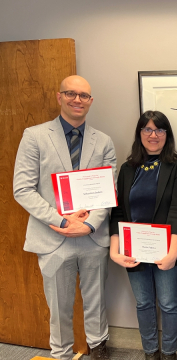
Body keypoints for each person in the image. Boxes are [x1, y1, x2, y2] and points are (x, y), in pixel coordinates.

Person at [13, 75, 116, 360]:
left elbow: (110, 190)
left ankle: (98, 349)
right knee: (58, 307)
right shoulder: (34, 136)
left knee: (96, 303)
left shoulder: (104, 142)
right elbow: (22, 189)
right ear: (59, 97)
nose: (77, 100)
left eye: (83, 95)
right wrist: (62, 221)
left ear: (90, 101)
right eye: (71, 93)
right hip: (52, 237)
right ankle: (61, 354)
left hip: (92, 237)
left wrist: (89, 224)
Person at [109, 111, 177, 360]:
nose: (153, 135)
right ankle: (150, 352)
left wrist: (173, 252)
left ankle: (168, 353)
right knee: (143, 303)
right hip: (133, 249)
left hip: (167, 249)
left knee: (168, 303)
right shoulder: (127, 168)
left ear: (167, 135)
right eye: (147, 129)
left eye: (159, 130)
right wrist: (115, 250)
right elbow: (119, 211)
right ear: (139, 134)